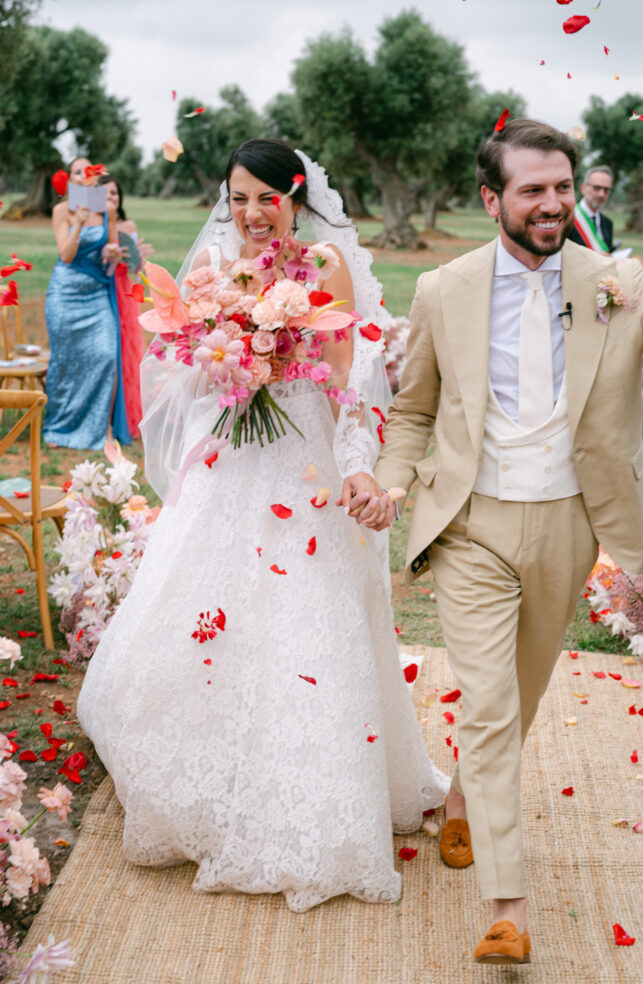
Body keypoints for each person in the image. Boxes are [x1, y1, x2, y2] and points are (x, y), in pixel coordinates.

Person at [341, 119, 643, 964]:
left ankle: (463, 796)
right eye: (532, 189)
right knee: (490, 705)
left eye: (561, 187)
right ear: (492, 198)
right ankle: (510, 905)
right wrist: (391, 480)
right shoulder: (443, 289)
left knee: (519, 698)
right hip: (471, 525)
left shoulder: (615, 279)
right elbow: (414, 409)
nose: (552, 203)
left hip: (570, 521)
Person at [77, 139, 447, 912]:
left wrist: (356, 464)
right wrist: (225, 360)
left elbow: (350, 383)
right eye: (238, 197)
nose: (251, 214)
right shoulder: (214, 262)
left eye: (266, 199)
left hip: (306, 465)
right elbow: (181, 366)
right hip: (230, 460)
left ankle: (312, 803)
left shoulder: (326, 266)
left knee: (304, 627)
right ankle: (209, 787)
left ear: (295, 197)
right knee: (207, 615)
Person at [43, 157, 131, 449]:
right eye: (77, 171)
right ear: (70, 179)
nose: (84, 175)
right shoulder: (60, 211)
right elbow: (66, 256)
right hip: (65, 295)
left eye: (89, 170)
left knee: (106, 356)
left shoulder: (106, 210)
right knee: (65, 362)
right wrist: (77, 225)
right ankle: (58, 428)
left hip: (96, 294)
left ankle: (101, 427)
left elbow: (112, 250)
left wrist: (114, 251)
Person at [99, 174, 153, 439]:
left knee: (129, 352)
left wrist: (139, 258)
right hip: (103, 291)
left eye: (115, 194)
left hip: (125, 291)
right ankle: (103, 417)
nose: (111, 198)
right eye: (106, 193)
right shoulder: (95, 226)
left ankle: (127, 417)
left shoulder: (127, 224)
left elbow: (136, 268)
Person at [567, 164, 614, 252]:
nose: (601, 194)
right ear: (583, 188)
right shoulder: (568, 218)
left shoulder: (608, 224)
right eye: (597, 188)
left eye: (606, 190)